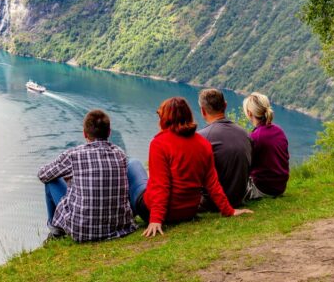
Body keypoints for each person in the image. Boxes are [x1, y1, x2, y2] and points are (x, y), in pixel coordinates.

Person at [138, 97, 252, 238]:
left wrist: (155, 219)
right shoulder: (203, 143)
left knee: (134, 170)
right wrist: (228, 210)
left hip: (162, 213)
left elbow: (161, 185)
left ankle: (123, 220)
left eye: (160, 115)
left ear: (165, 118)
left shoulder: (159, 143)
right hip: (188, 211)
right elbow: (212, 183)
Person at [37, 109, 138, 242]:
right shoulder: (120, 154)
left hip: (82, 231)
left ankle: (55, 232)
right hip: (119, 227)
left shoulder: (73, 155)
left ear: (85, 133)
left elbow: (43, 175)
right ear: (109, 132)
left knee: (51, 181)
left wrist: (68, 177)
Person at [197, 88, 253, 209]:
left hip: (213, 202)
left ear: (202, 111)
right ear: (225, 105)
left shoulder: (201, 137)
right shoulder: (244, 133)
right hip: (238, 198)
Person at [243, 92, 290, 199]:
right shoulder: (279, 131)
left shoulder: (255, 136)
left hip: (263, 189)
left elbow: (246, 166)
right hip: (280, 187)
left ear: (250, 113)